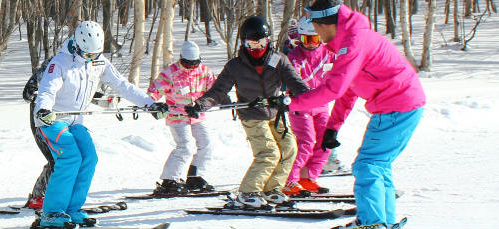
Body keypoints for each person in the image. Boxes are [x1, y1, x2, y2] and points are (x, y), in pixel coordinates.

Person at [292, 1, 426, 228]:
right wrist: (333, 126)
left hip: (397, 104)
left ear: (325, 23)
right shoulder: (348, 39)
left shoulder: (353, 41)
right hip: (400, 103)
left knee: (368, 165)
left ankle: (372, 223)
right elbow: (349, 90)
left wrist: (290, 103)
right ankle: (382, 222)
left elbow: (334, 89)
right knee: (378, 165)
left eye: (315, 25)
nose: (314, 31)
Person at [33, 21, 169, 228]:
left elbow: (123, 85)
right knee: (70, 157)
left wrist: (150, 104)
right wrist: (44, 109)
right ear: (77, 46)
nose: (92, 59)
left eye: (96, 54)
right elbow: (47, 90)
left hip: (76, 120)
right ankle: (51, 213)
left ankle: (72, 209)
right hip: (52, 119)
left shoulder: (99, 62)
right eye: (88, 55)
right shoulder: (60, 62)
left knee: (89, 158)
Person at [185, 16, 309, 209]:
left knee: (289, 148)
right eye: (251, 43)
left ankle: (272, 189)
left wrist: (304, 97)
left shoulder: (279, 60)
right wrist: (200, 104)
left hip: (275, 114)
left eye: (261, 42)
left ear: (268, 41)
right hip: (252, 115)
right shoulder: (235, 66)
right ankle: (248, 192)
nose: (257, 48)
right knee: (268, 153)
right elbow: (218, 91)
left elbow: (298, 85)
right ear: (244, 43)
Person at [146, 40, 218, 195]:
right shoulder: (170, 73)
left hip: (197, 115)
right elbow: (153, 91)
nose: (191, 68)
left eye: (195, 64)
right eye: (188, 64)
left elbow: (216, 90)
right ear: (181, 60)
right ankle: (170, 180)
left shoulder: (204, 72)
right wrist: (152, 104)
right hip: (177, 116)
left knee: (207, 143)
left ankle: (195, 177)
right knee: (185, 146)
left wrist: (214, 101)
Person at [282, 17, 337, 197]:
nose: (311, 44)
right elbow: (291, 74)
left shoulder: (328, 53)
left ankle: (308, 177)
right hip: (301, 105)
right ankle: (290, 179)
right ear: (300, 39)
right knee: (306, 141)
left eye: (315, 39)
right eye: (307, 40)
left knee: (325, 141)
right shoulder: (294, 56)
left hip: (321, 104)